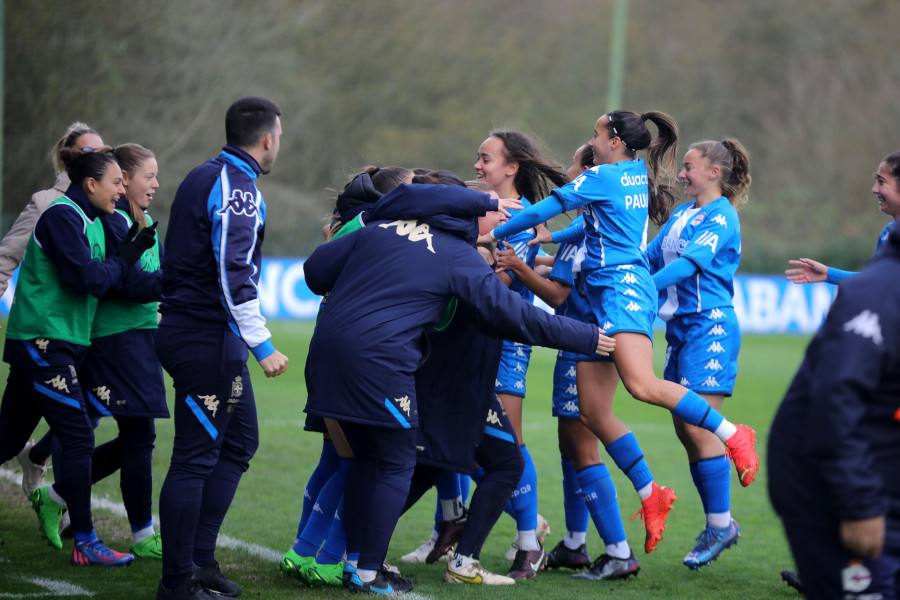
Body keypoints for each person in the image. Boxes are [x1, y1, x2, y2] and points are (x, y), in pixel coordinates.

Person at [302, 176, 615, 594]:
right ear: (469, 212)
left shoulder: (380, 229)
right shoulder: (455, 254)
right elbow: (516, 316)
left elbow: (314, 272)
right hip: (381, 365)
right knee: (397, 463)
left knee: (371, 461)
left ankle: (356, 561)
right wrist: (587, 336)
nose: (505, 215)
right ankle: (367, 570)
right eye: (497, 209)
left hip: (325, 357)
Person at [488, 111, 760, 556]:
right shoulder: (632, 173)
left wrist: (493, 234)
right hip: (602, 299)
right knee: (593, 413)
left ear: (613, 139)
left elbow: (545, 208)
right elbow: (587, 226)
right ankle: (652, 494)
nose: (591, 142)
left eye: (596, 133)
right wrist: (546, 241)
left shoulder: (605, 177)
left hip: (620, 294)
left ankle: (734, 435)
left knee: (642, 385)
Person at [155, 96, 289, 600]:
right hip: (204, 335)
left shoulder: (206, 173)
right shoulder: (237, 188)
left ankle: (200, 560)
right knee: (194, 458)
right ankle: (178, 581)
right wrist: (262, 343)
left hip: (203, 333)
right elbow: (233, 273)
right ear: (268, 139)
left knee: (238, 443)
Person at [0, 146, 157, 566]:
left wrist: (125, 259)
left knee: (9, 439)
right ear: (91, 184)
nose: (121, 189)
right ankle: (86, 541)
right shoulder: (62, 216)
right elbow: (88, 278)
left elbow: (100, 276)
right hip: (43, 344)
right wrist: (125, 257)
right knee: (78, 435)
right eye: (116, 183)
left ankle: (78, 529)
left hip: (57, 344)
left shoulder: (87, 218)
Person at [496, 144, 640, 580]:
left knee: (583, 445)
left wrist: (520, 268)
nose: (571, 171)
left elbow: (558, 296)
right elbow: (562, 273)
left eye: (577, 165)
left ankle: (618, 551)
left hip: (589, 341)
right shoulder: (587, 229)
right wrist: (541, 254)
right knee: (568, 445)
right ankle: (576, 544)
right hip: (576, 343)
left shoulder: (593, 231)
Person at [768, 221, 900, 600]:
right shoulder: (880, 292)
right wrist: (860, 508)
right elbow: (834, 403)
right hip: (834, 484)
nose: (876, 188)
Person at [645, 138, 752, 569]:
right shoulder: (681, 214)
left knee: (699, 430)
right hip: (681, 330)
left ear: (715, 173)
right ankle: (718, 524)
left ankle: (721, 524)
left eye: (689, 167)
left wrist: (640, 287)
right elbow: (649, 256)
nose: (681, 174)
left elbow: (689, 265)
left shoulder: (722, 215)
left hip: (711, 328)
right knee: (686, 431)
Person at [473, 130, 568, 575]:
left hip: (507, 342)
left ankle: (529, 539)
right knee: (463, 441)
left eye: (486, 159)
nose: (478, 166)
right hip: (471, 340)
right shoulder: (477, 208)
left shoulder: (525, 220)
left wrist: (472, 254)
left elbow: (503, 284)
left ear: (512, 168)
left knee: (508, 444)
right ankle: (455, 526)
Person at [6, 123, 104, 501]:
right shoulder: (48, 204)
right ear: (70, 161)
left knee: (92, 409)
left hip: (85, 333)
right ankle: (72, 516)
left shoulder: (106, 204)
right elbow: (7, 256)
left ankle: (42, 460)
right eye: (89, 152)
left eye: (103, 150)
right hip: (47, 334)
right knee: (78, 426)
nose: (99, 157)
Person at [79, 143, 167, 560]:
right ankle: (142, 533)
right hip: (116, 338)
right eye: (148, 176)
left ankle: (60, 492)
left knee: (137, 434)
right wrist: (177, 280)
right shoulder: (112, 223)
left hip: (142, 337)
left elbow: (160, 276)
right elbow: (129, 286)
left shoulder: (146, 220)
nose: (155, 184)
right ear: (124, 179)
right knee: (140, 434)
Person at [786, 150, 900, 285]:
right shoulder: (888, 233)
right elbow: (876, 281)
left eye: (881, 182)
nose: (874, 189)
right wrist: (829, 274)